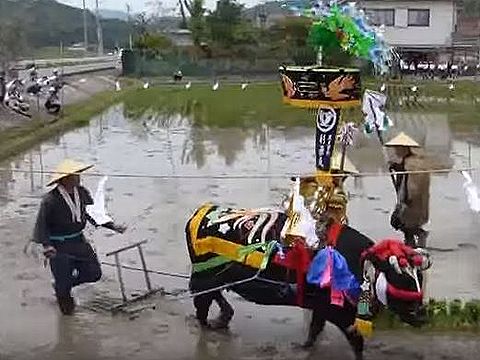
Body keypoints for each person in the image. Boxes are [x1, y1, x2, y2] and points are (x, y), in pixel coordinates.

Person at [33, 159, 126, 315]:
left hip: (79, 241)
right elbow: (41, 225)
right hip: (59, 246)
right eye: (75, 175)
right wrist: (47, 245)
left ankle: (62, 286)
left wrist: (112, 226)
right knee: (65, 298)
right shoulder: (50, 200)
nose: (79, 177)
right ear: (65, 179)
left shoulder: (82, 192)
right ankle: (66, 318)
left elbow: (92, 213)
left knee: (94, 273)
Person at [384, 132, 430, 248]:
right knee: (401, 223)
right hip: (405, 196)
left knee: (405, 222)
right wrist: (395, 167)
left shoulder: (414, 163)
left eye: (397, 148)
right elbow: (403, 170)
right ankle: (410, 244)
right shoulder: (406, 161)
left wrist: (408, 197)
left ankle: (420, 235)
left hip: (412, 199)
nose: (395, 150)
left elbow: (415, 182)